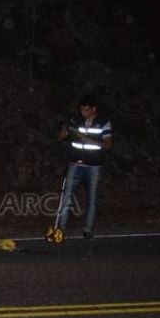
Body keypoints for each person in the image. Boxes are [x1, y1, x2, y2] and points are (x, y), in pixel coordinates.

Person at [56, 95, 112, 239]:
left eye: (86, 110)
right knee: (67, 196)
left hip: (94, 166)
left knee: (93, 198)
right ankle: (60, 230)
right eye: (81, 110)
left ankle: (88, 229)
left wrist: (88, 140)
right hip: (75, 164)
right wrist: (66, 129)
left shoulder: (103, 122)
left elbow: (107, 144)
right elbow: (61, 137)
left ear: (94, 109)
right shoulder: (75, 120)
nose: (83, 112)